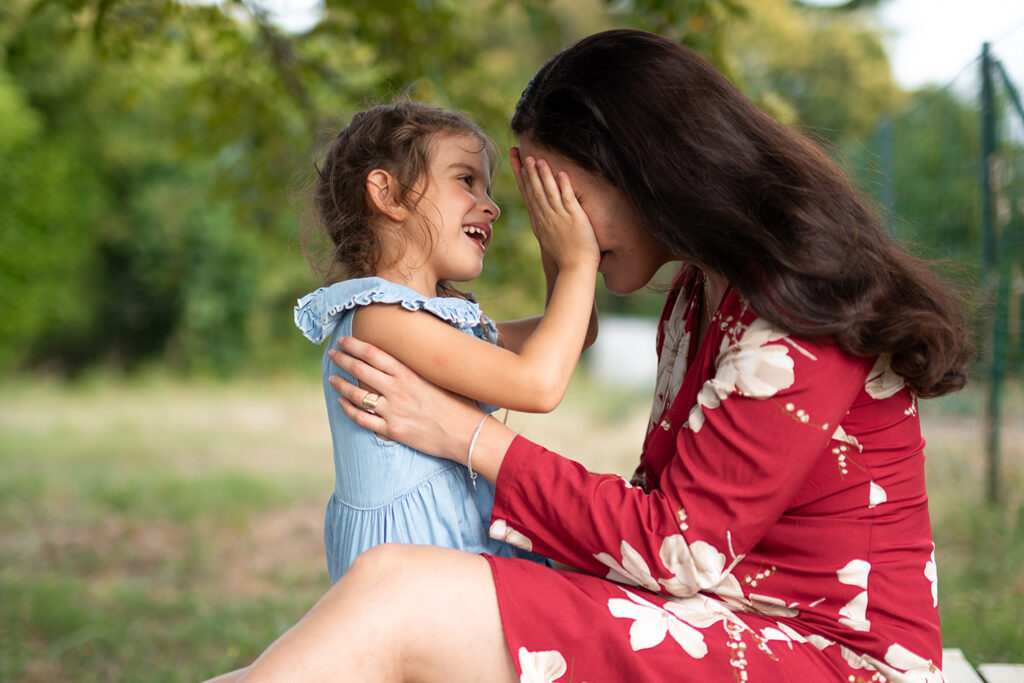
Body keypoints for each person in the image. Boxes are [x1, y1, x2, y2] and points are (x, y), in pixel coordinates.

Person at [207, 29, 972, 682]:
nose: (552, 230)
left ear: (645, 170)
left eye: (561, 199)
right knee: (387, 600)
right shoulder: (699, 301)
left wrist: (465, 436)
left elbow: (676, 547)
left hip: (835, 661)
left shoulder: (798, 306)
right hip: (722, 621)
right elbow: (663, 529)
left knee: (397, 591)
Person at [292, 102, 599, 582]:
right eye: (466, 180)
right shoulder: (379, 317)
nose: (492, 206)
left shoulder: (439, 325)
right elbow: (538, 385)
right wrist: (579, 262)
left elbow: (574, 332)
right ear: (388, 194)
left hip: (455, 557)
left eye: (488, 189)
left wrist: (554, 244)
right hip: (407, 578)